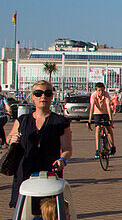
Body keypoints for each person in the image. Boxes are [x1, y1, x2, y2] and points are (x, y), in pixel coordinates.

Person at [6, 80, 73, 209]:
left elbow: (67, 149)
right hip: (24, 173)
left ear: (52, 96)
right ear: (32, 96)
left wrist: (62, 160)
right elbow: (9, 137)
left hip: (49, 173)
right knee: (24, 217)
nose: (43, 97)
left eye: (47, 93)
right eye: (38, 93)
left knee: (48, 215)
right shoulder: (23, 120)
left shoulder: (60, 122)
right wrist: (12, 139)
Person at [88, 82, 116, 155]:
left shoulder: (106, 95)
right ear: (96, 90)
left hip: (105, 112)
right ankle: (97, 149)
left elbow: (108, 107)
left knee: (108, 128)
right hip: (97, 113)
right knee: (97, 129)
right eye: (99, 90)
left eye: (102, 90)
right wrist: (89, 120)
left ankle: (112, 146)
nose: (101, 92)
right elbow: (91, 108)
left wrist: (111, 119)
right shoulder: (93, 96)